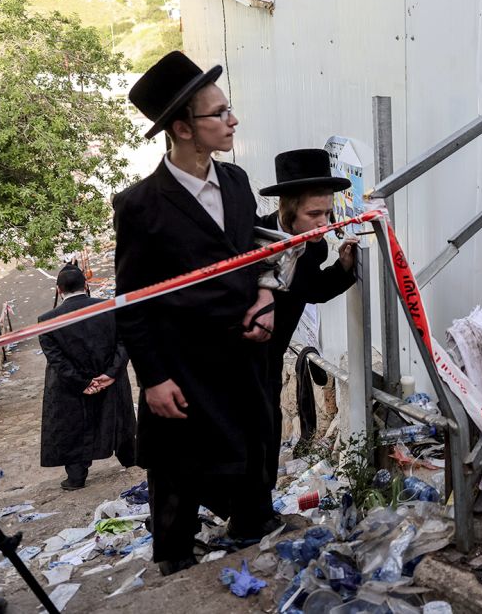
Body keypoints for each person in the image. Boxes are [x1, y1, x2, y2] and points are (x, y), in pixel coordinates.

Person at [113, 51, 277, 576]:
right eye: (219, 113)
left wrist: (266, 294)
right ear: (183, 128)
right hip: (181, 361)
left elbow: (257, 252)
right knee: (178, 465)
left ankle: (252, 529)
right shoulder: (141, 205)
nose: (233, 121)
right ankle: (177, 562)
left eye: (229, 110)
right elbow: (131, 303)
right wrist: (153, 378)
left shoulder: (235, 181)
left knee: (252, 443)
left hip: (240, 349)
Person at [259, 149, 357, 483]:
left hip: (270, 358)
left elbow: (311, 289)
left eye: (328, 213)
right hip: (229, 355)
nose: (324, 224)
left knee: (266, 435)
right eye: (314, 213)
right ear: (287, 209)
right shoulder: (251, 240)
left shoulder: (315, 246)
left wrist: (343, 268)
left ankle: (260, 511)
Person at [37, 264, 136, 490]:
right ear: (86, 284)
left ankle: (76, 478)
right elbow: (125, 342)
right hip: (110, 381)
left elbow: (56, 359)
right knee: (118, 421)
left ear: (59, 290)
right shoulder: (110, 308)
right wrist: (111, 374)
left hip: (71, 388)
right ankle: (131, 461)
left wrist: (82, 382)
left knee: (75, 428)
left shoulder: (47, 320)